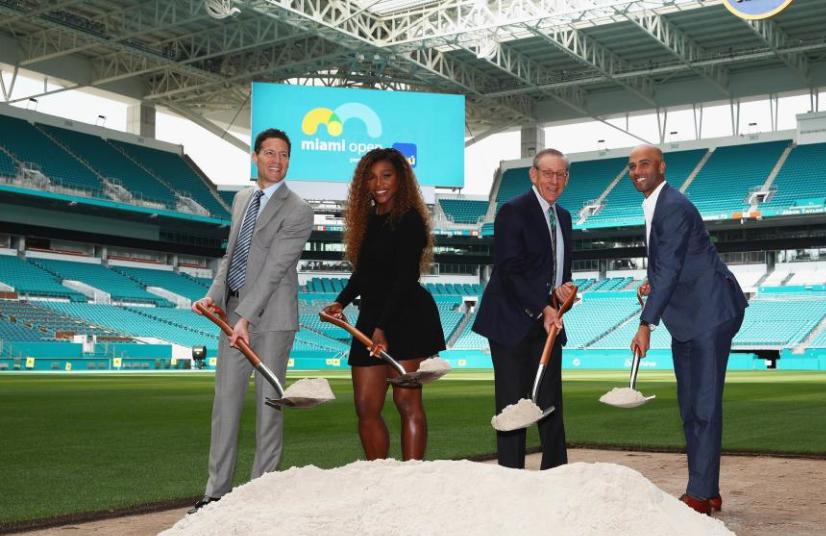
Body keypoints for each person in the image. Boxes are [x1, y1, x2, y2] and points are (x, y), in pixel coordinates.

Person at [189, 128, 313, 513]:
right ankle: (215, 492)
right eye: (270, 153)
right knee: (225, 404)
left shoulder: (299, 210)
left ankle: (260, 497)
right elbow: (232, 256)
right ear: (255, 156)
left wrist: (243, 316)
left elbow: (275, 269)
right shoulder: (243, 198)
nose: (277, 160)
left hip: (272, 319)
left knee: (268, 407)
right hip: (233, 316)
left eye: (285, 155)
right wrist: (213, 297)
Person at [627, 144, 748, 515]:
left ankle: (699, 493)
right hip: (688, 317)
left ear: (661, 167)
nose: (636, 171)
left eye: (644, 164)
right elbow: (668, 266)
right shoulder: (655, 206)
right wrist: (652, 283)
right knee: (691, 405)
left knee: (703, 405)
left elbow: (673, 267)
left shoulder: (674, 206)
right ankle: (706, 489)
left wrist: (646, 322)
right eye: (631, 166)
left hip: (710, 313)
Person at [322, 147, 445, 461]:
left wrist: (382, 327)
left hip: (407, 317)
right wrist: (340, 302)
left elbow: (404, 279)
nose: (379, 183)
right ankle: (380, 478)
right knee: (365, 406)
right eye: (371, 177)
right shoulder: (368, 221)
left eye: (386, 175)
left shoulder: (410, 219)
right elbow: (364, 274)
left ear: (400, 179)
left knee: (407, 403)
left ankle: (411, 478)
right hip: (373, 316)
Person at [472, 148, 577, 470]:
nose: (554, 180)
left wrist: (562, 294)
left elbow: (559, 271)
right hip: (511, 322)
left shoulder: (564, 217)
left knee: (551, 404)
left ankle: (557, 473)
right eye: (548, 173)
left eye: (560, 175)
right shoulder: (513, 210)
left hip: (547, 322)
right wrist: (542, 307)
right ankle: (511, 476)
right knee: (513, 407)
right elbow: (508, 268)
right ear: (534, 174)